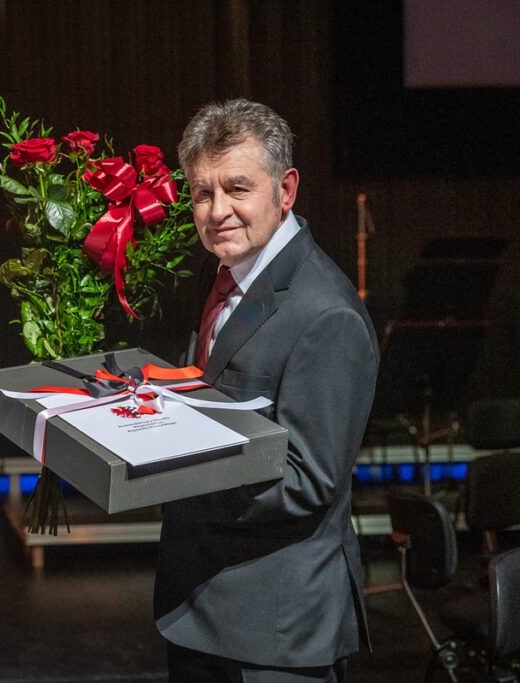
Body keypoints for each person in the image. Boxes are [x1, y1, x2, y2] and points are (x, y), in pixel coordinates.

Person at [154, 99, 378, 682]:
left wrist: (166, 473)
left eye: (237, 189)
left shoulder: (326, 313)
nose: (217, 211)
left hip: (275, 631)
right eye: (202, 193)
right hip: (200, 608)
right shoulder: (222, 273)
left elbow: (307, 480)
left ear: (286, 190)